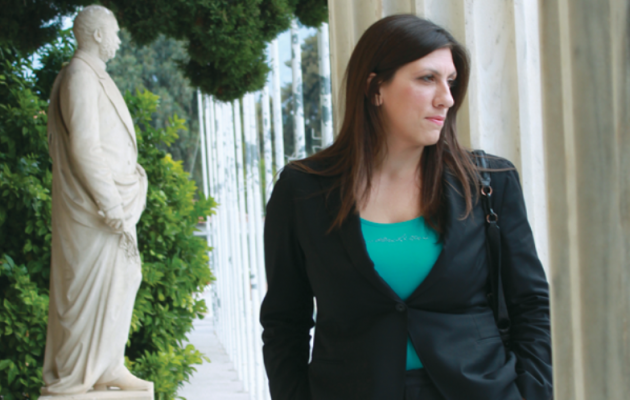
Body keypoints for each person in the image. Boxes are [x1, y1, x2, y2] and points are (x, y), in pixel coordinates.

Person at [260, 14, 552, 400]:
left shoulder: (489, 182)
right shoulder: (303, 190)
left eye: (450, 81)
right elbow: (284, 322)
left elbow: (530, 305)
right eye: (427, 78)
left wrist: (531, 393)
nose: (446, 98)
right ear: (374, 87)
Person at [43, 5, 152, 395]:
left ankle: (108, 364)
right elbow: (85, 147)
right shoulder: (79, 75)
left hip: (109, 204)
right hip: (92, 210)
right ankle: (80, 370)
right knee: (88, 293)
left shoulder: (93, 75)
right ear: (99, 35)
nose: (119, 41)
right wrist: (111, 204)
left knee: (124, 277)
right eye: (115, 33)